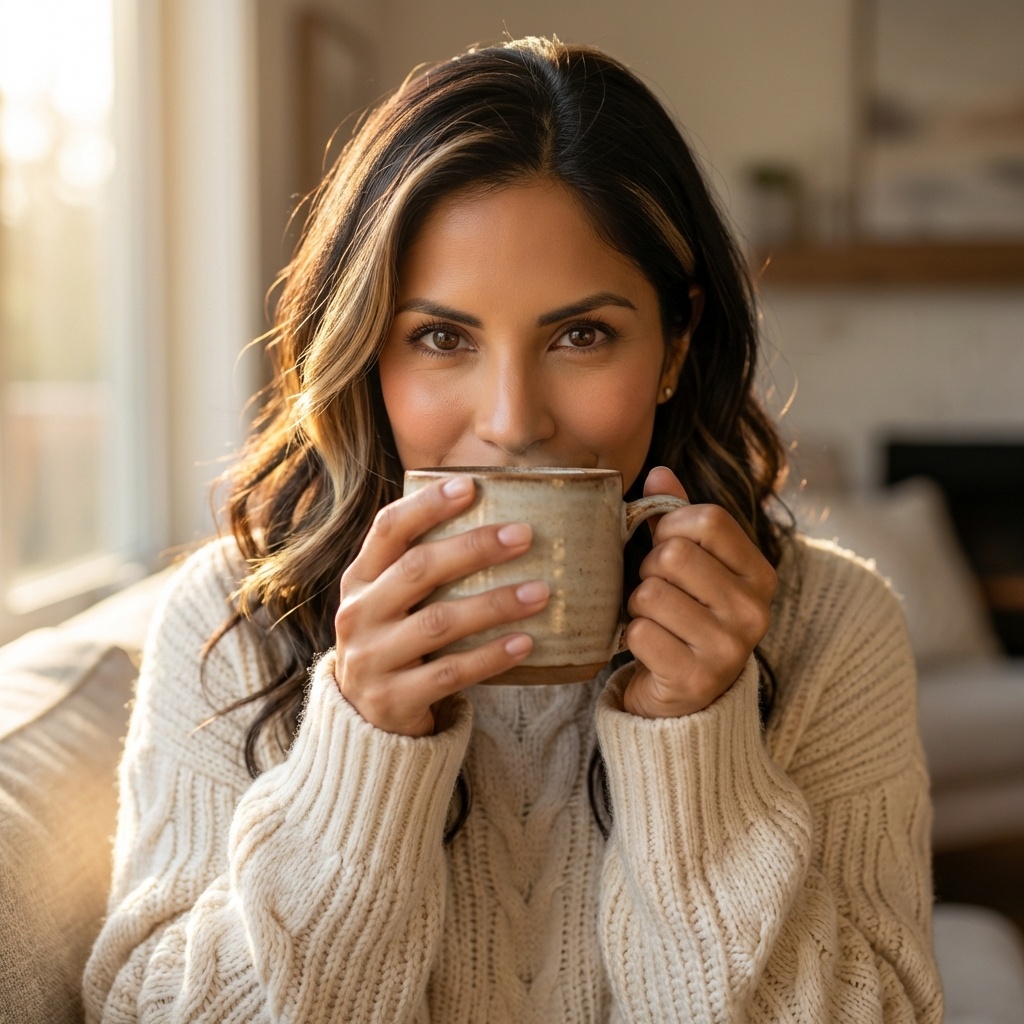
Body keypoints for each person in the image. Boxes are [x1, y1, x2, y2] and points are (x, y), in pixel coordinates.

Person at [83, 35, 943, 1023]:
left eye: (581, 335)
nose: (511, 419)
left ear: (673, 344)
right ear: (368, 355)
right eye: (440, 338)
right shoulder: (239, 619)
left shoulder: (831, 628)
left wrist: (694, 747)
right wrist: (358, 754)